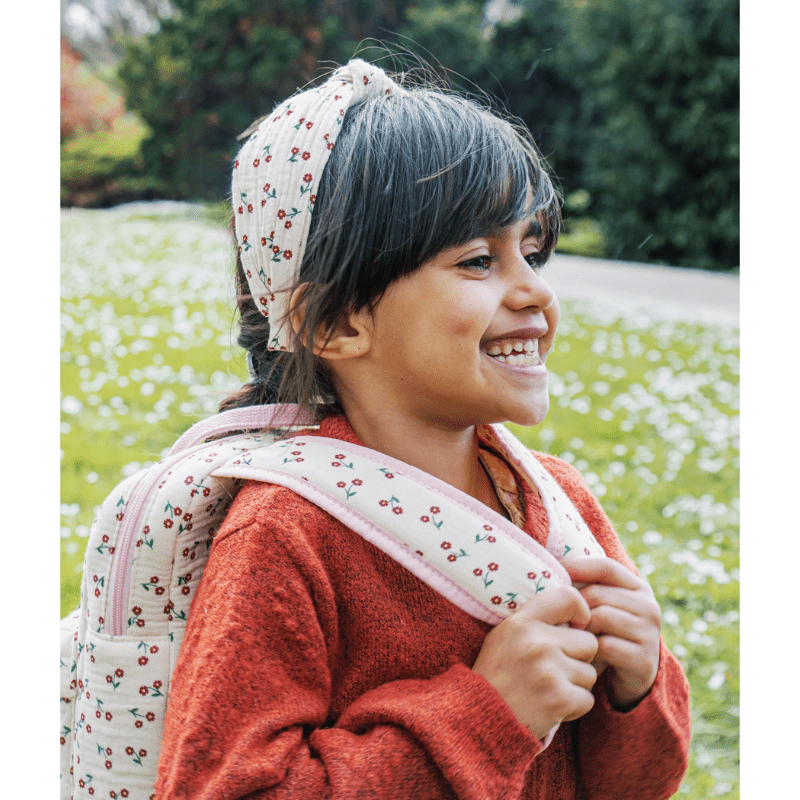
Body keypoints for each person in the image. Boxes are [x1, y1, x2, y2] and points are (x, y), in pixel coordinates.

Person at [155, 59, 691, 799]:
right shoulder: (285, 535)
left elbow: (638, 783)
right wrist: (487, 716)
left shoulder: (559, 504)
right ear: (336, 323)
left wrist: (638, 686)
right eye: (479, 260)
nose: (535, 290)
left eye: (532, 251)